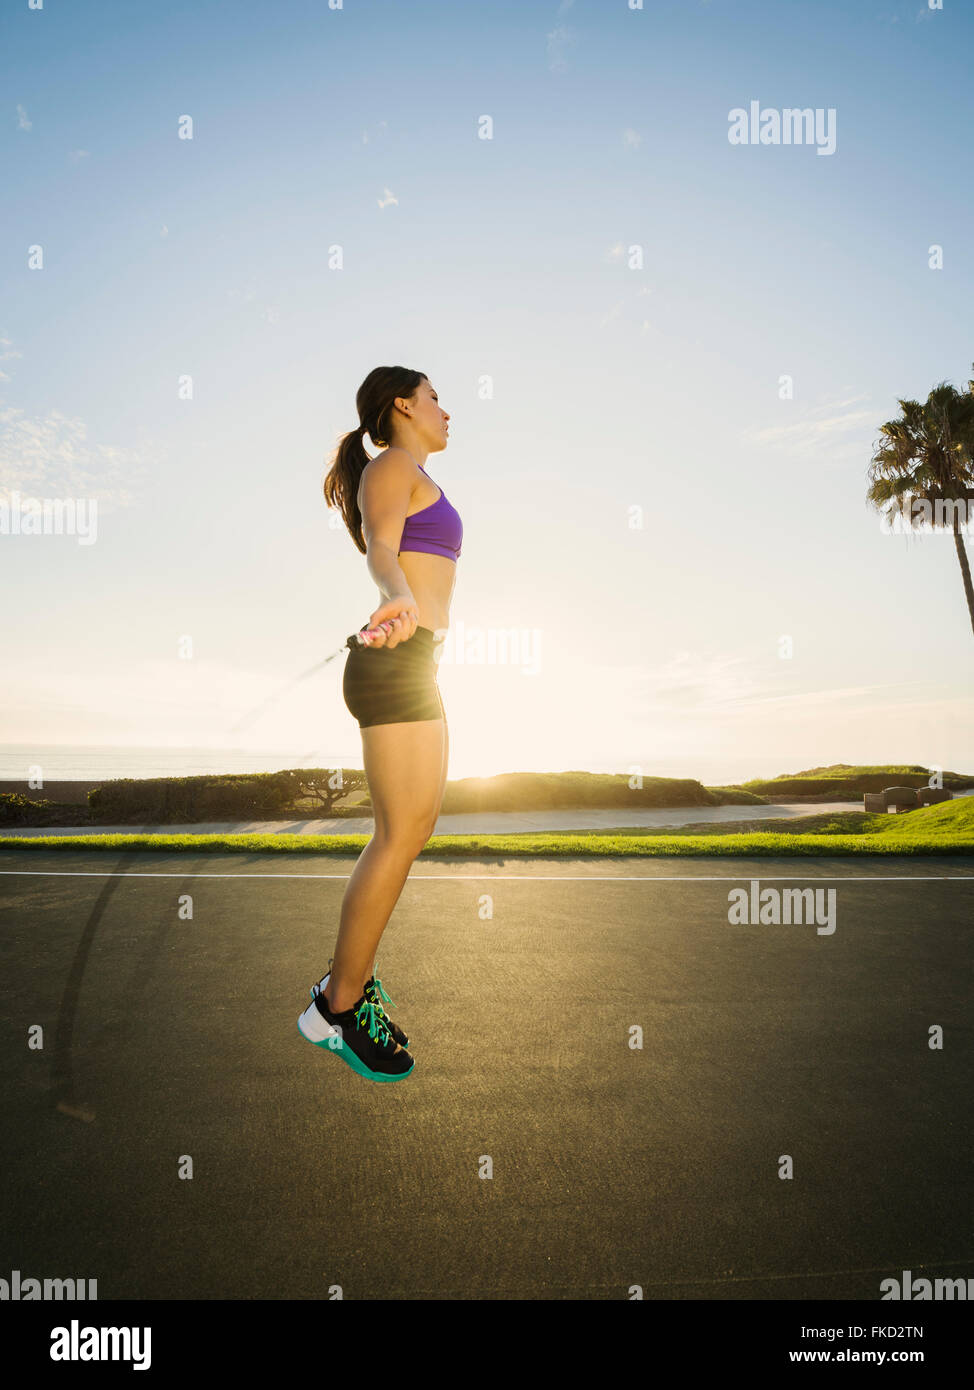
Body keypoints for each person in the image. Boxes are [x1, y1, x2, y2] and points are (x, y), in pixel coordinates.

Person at [297, 366, 461, 1082]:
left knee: (412, 831)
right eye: (434, 397)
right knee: (398, 834)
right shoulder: (393, 465)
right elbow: (382, 549)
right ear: (403, 406)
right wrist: (398, 598)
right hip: (396, 659)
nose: (445, 410)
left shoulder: (409, 470)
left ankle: (348, 989)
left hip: (413, 662)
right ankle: (337, 1004)